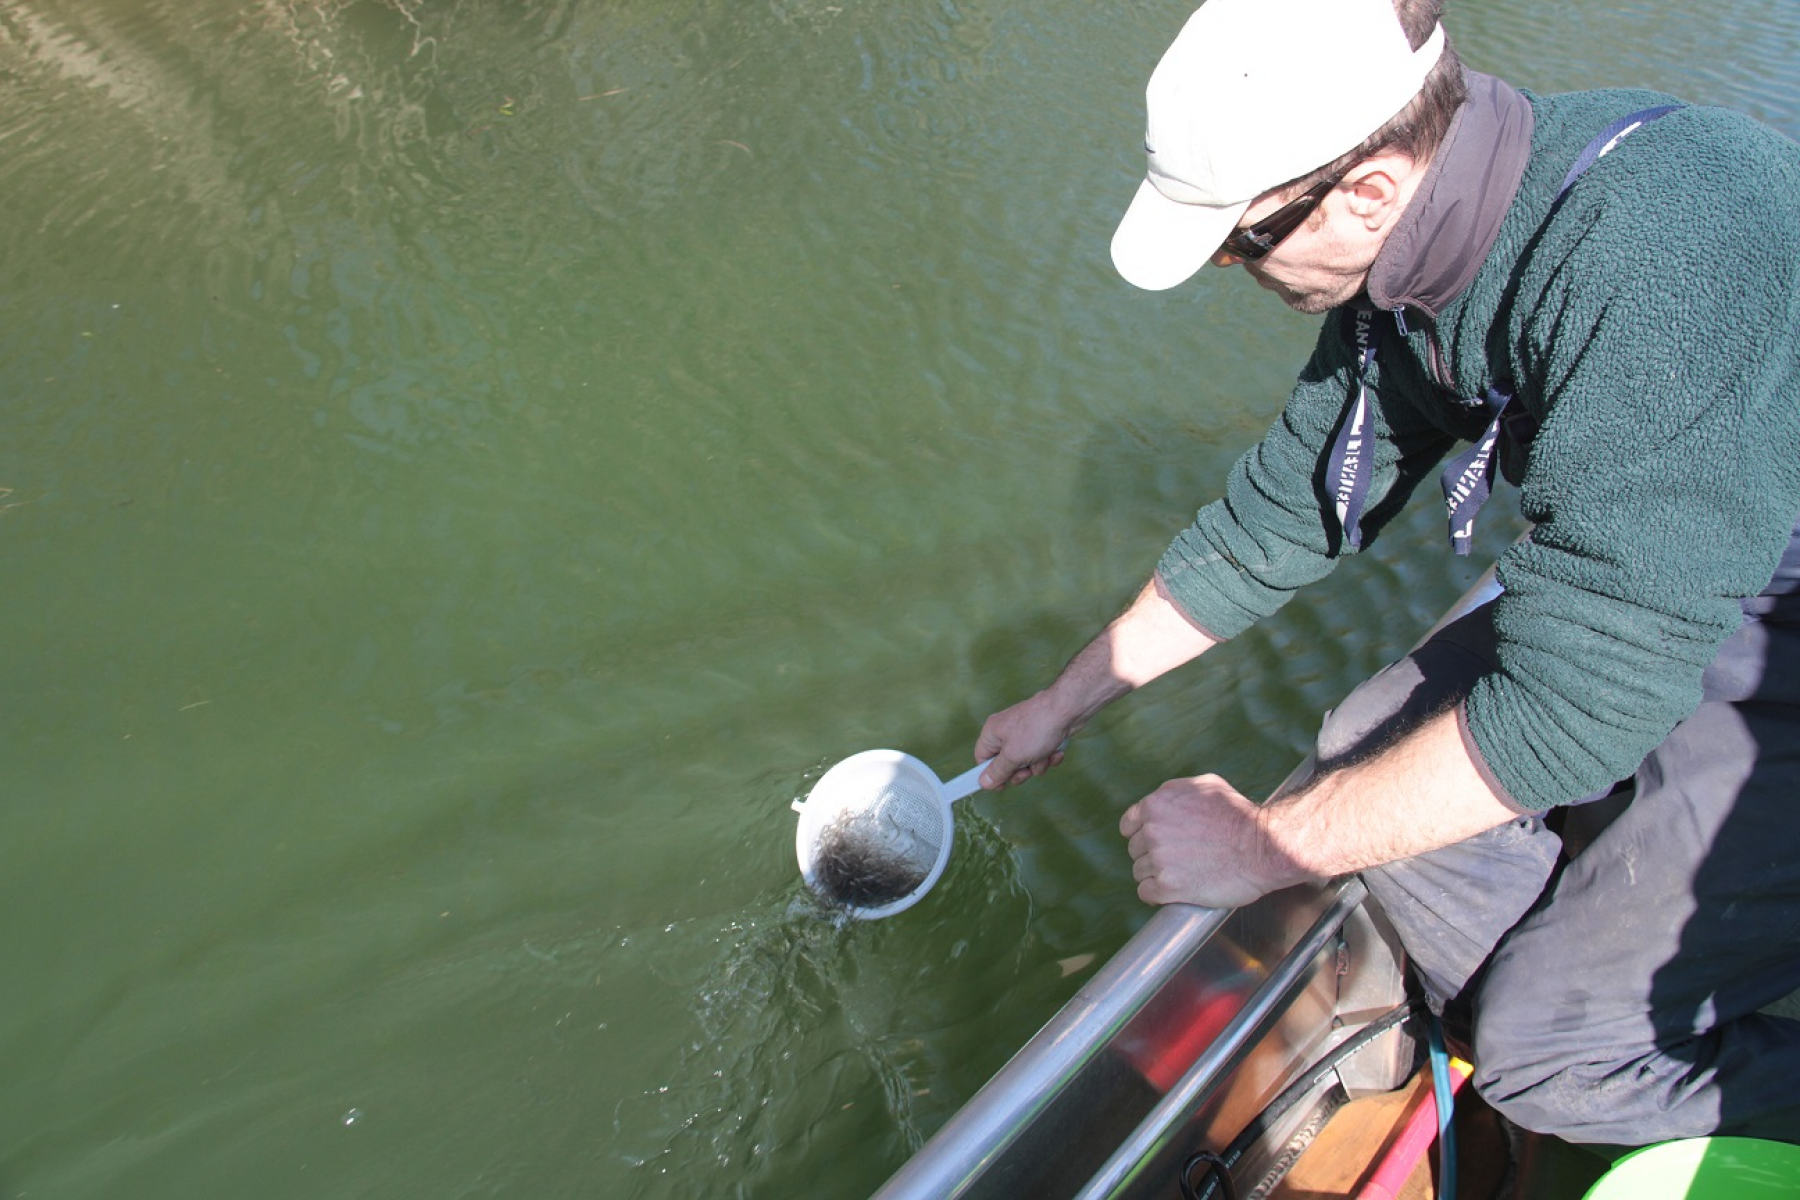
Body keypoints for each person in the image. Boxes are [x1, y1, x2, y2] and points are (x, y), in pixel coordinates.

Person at [974, 0, 1800, 1147]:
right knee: (1356, 751)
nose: (1224, 266)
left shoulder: (1654, 266)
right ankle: (1577, 972)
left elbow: (1576, 718)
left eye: (1240, 240)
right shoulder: (1428, 260)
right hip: (1695, 562)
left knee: (1546, 1062)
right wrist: (1064, 701)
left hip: (1772, 608)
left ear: (1365, 189)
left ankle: (1590, 1030)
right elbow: (1288, 511)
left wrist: (1265, 848)